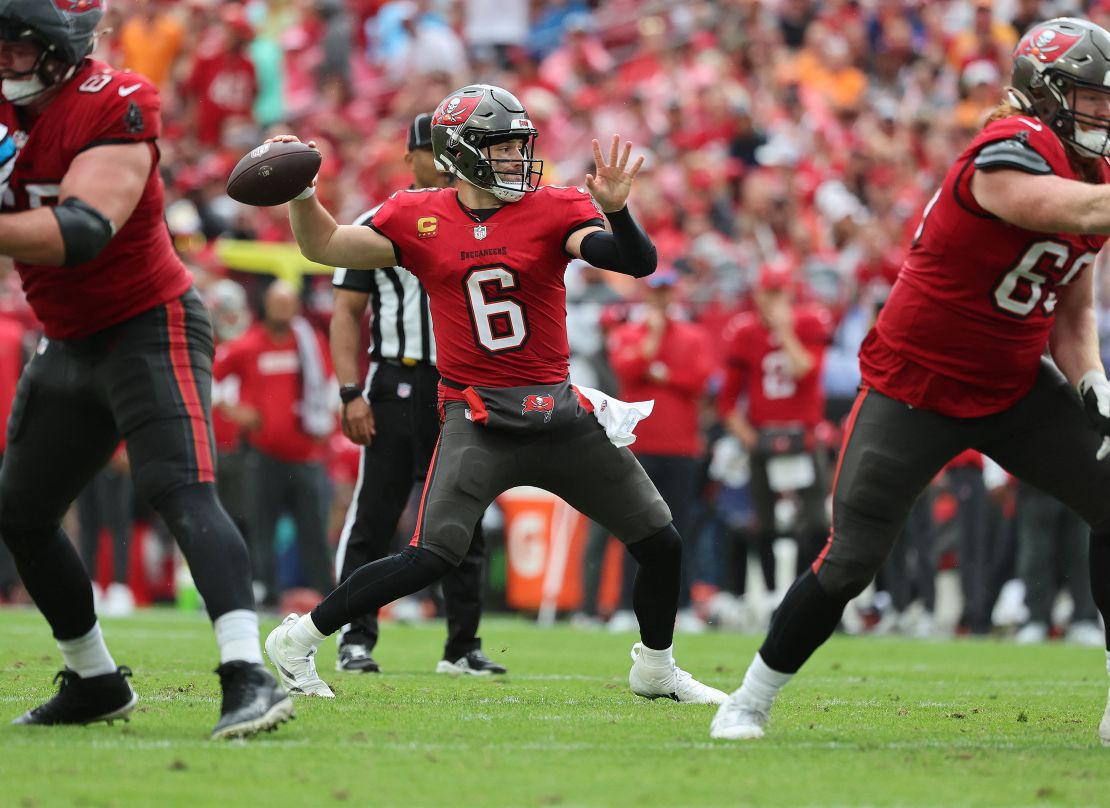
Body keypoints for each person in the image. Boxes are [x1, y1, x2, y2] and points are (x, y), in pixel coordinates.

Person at [711, 17, 1110, 743]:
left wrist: (1091, 381)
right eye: (1091, 98)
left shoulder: (1095, 176)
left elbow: (1072, 306)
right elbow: (1050, 208)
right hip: (917, 385)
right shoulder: (1008, 150)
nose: (1104, 114)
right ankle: (750, 697)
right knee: (850, 560)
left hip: (1015, 385)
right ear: (1047, 96)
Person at [265, 83, 726, 705]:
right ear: (460, 152)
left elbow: (633, 262)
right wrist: (300, 193)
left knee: (661, 541)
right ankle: (299, 639)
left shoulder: (554, 207)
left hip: (556, 413)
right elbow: (323, 245)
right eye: (501, 146)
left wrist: (617, 210)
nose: (516, 157)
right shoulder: (417, 214)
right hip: (477, 417)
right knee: (433, 554)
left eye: (519, 145)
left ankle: (656, 667)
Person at [0, 1, 290, 738]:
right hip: (65, 340)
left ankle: (247, 673)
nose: (1, 60)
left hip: (147, 327)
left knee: (180, 489)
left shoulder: (116, 100)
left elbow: (81, 230)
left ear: (59, 49)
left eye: (15, 47)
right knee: (21, 512)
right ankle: (94, 679)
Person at [330, 112, 506, 676]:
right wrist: (350, 390)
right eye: (432, 148)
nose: (441, 156)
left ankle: (462, 645)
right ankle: (354, 638)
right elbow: (347, 312)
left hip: (460, 386)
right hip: (396, 379)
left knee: (465, 516)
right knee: (375, 518)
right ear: (410, 157)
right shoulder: (380, 219)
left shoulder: (483, 215)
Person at [214, 280, 335, 606]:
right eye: (277, 303)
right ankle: (266, 595)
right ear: (266, 306)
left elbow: (329, 382)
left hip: (306, 454)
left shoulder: (309, 342)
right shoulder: (249, 344)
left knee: (313, 532)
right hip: (263, 455)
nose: (283, 309)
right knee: (261, 529)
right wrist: (233, 409)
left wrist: (329, 421)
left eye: (289, 303)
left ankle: (328, 597)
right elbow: (212, 377)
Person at [608, 269, 715, 631]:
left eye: (666, 292)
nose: (661, 299)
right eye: (656, 292)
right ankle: (625, 606)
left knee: (680, 526)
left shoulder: (692, 335)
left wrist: (661, 373)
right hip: (638, 443)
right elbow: (627, 369)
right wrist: (652, 341)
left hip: (681, 446)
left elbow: (699, 380)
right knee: (634, 523)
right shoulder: (630, 332)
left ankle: (681, 606)